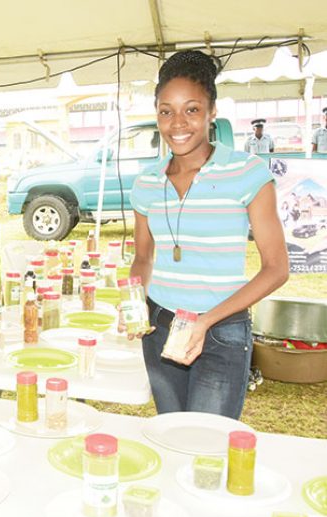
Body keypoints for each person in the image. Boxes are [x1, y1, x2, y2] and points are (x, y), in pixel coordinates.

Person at [129, 50, 289, 420]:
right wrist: (135, 304)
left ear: (212, 110)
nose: (177, 123)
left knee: (207, 447)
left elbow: (277, 268)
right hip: (160, 325)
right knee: (171, 432)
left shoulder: (247, 173)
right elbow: (142, 258)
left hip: (221, 329)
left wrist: (205, 321)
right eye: (166, 111)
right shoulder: (146, 183)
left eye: (192, 109)